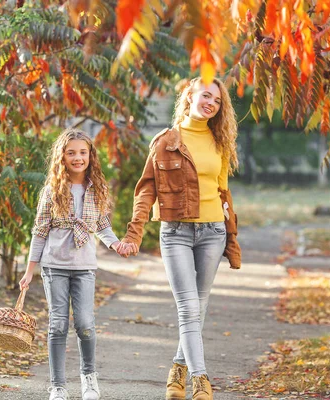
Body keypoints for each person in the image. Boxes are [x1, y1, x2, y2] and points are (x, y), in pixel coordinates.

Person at [118, 76, 242, 400]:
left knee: (198, 307)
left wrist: (231, 236)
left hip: (213, 231)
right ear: (189, 95)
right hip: (175, 232)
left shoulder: (220, 143)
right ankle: (200, 380)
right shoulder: (165, 141)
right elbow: (146, 189)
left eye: (216, 100)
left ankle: (177, 369)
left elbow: (223, 193)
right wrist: (134, 231)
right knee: (188, 308)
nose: (210, 103)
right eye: (205, 96)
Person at [19, 128, 126, 400]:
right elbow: (40, 231)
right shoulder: (52, 190)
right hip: (54, 266)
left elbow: (101, 225)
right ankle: (57, 386)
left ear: (90, 155)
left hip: (85, 266)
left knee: (85, 323)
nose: (77, 158)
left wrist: (116, 244)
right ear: (62, 157)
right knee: (57, 325)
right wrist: (29, 271)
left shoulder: (97, 188)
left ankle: (89, 379)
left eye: (82, 152)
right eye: (71, 153)